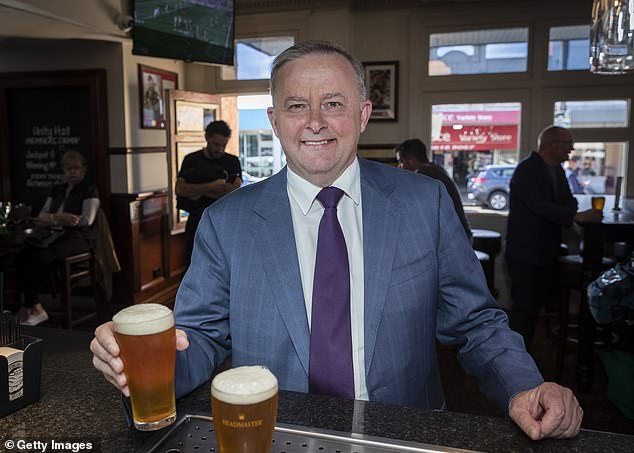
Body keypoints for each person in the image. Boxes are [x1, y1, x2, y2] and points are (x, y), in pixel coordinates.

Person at [92, 41, 582, 441]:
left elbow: (476, 322)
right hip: (273, 437)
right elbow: (197, 340)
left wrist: (525, 387)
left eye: (333, 103)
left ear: (363, 114)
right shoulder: (226, 222)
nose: (315, 122)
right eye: (296, 106)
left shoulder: (424, 204)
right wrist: (140, 364)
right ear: (275, 121)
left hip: (402, 435)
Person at [506, 126, 602, 351]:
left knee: (534, 308)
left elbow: (570, 201)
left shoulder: (557, 170)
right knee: (523, 311)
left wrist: (571, 211)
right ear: (551, 144)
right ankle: (514, 364)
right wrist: (574, 215)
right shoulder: (526, 170)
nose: (572, 148)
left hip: (546, 251)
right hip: (525, 252)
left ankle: (524, 357)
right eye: (567, 143)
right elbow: (537, 206)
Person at [15, 150, 100, 326]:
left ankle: (33, 308)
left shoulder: (89, 189)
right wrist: (59, 218)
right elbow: (42, 215)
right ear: (63, 171)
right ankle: (33, 304)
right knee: (22, 255)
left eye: (76, 168)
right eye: (69, 168)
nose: (73, 172)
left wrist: (58, 218)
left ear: (83, 170)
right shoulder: (58, 189)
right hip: (53, 234)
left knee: (42, 257)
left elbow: (86, 220)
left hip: (79, 238)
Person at [174, 120, 242, 264]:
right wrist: (213, 186)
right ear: (207, 138)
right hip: (197, 221)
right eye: (216, 145)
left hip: (226, 222)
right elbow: (180, 189)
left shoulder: (232, 161)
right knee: (193, 264)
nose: (220, 149)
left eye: (224, 145)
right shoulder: (191, 160)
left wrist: (197, 191)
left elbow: (234, 193)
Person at [395, 138, 472, 240]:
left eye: (401, 162)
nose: (399, 167)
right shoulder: (436, 169)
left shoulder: (422, 175)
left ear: (412, 160)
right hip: (463, 235)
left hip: (456, 241)